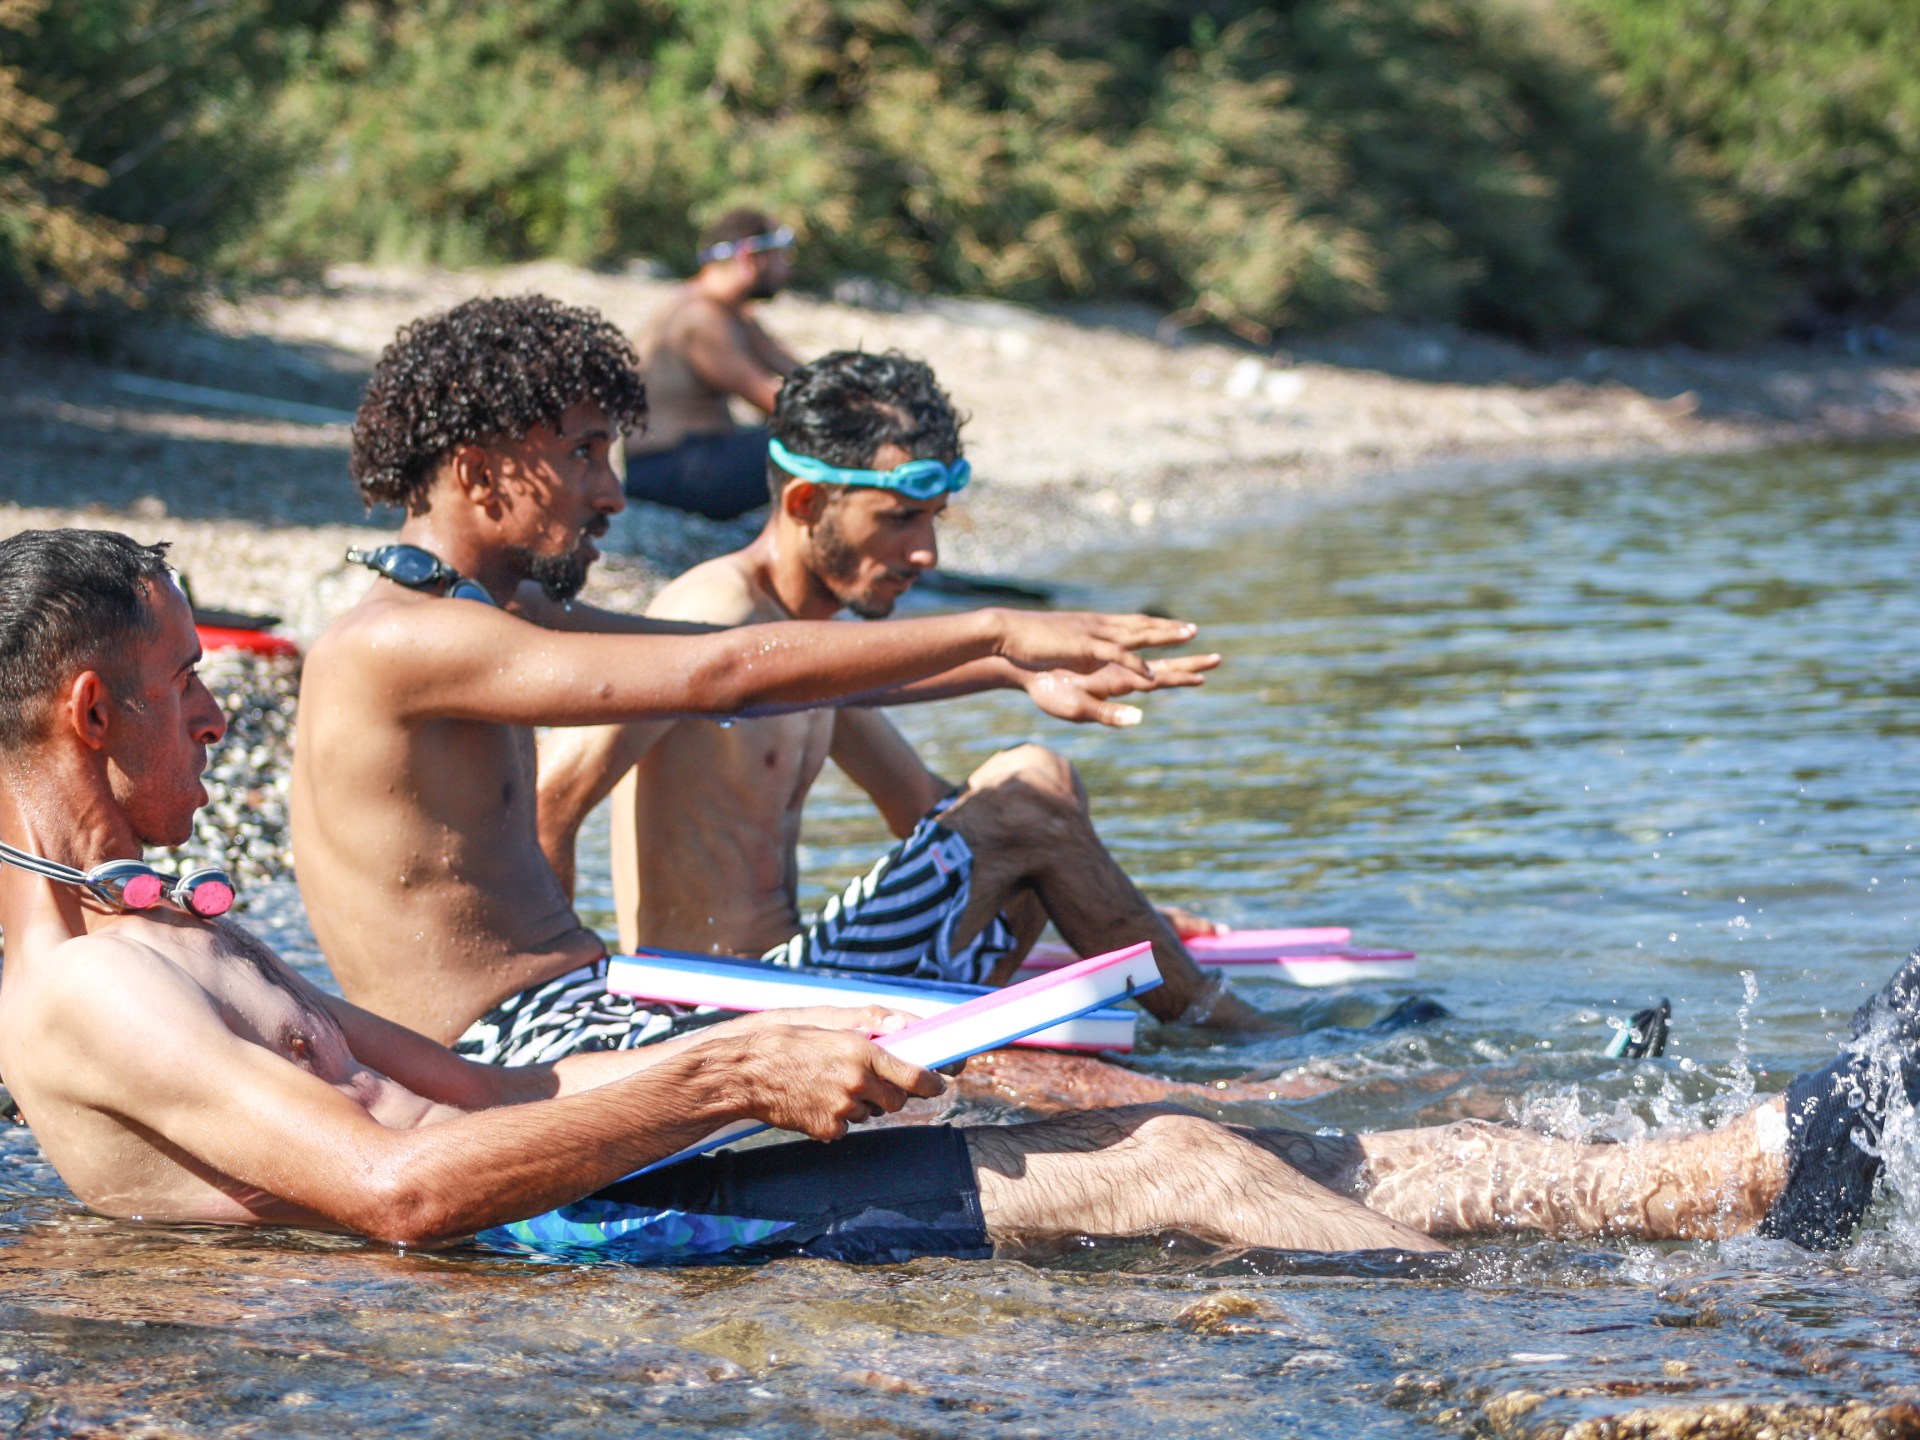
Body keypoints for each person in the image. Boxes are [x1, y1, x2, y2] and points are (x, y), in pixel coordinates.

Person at [0, 527, 1898, 1263]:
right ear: (90, 710)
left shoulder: (153, 926)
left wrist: (763, 1043)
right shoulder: (90, 994)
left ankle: (1750, 1172)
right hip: (565, 1241)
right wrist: (726, 1078)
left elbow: (474, 1098)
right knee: (1173, 1175)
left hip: (598, 1159)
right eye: (181, 689)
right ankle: (1601, 1337)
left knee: (1151, 1123)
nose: (214, 705)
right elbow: (402, 1194)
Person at [290, 295, 1204, 1063]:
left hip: (586, 1013)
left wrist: (1007, 669)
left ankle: (1215, 1039)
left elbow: (803, 684)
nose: (613, 493)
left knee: (1037, 824)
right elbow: (723, 674)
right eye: (585, 454)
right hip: (551, 1038)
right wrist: (1000, 626)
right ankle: (1226, 1034)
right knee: (1063, 1079)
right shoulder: (409, 639)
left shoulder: (503, 617)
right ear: (478, 471)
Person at [537, 351, 1263, 1037]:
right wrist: (569, 1007)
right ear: (805, 501)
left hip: (809, 974)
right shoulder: (713, 616)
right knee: (1028, 795)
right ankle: (1232, 1033)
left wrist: (1107, 905)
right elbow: (554, 797)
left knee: (1041, 784)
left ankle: (1151, 1000)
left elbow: (918, 804)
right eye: (898, 519)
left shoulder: (805, 639)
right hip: (726, 1003)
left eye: (932, 520)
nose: (926, 555)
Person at [622, 208, 800, 520]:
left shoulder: (731, 313)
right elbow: (773, 401)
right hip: (666, 469)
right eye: (779, 257)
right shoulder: (700, 318)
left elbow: (800, 374)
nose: (786, 269)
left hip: (690, 460)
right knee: (814, 437)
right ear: (749, 257)